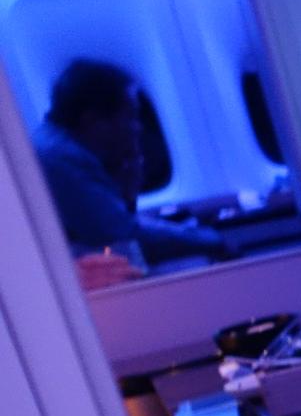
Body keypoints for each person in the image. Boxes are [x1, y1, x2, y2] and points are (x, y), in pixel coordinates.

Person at [32, 58, 228, 276]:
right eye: (131, 117)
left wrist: (127, 189)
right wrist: (208, 240)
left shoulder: (62, 148)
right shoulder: (61, 159)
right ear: (93, 120)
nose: (137, 128)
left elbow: (117, 231)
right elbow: (121, 235)